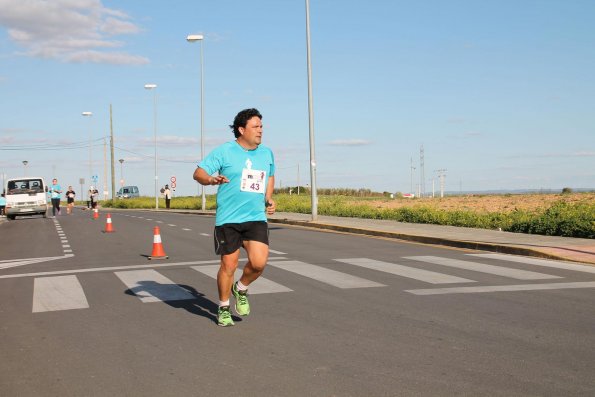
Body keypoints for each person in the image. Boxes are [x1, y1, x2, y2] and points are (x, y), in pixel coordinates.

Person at [193, 108, 276, 327]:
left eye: (261, 126)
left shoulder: (266, 153)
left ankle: (240, 288)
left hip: (255, 216)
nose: (260, 130)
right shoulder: (225, 151)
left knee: (259, 263)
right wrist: (211, 180)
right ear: (241, 129)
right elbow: (198, 173)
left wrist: (268, 198)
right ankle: (223, 307)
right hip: (228, 219)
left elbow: (270, 176)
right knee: (228, 266)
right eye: (255, 127)